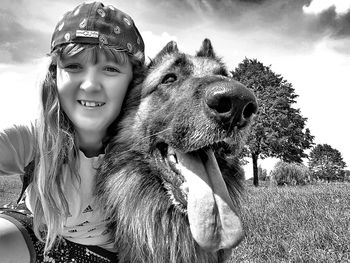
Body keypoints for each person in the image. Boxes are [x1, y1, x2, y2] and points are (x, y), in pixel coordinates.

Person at [0, 2, 145, 262]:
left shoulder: (142, 146)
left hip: (103, 254)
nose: (90, 85)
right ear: (54, 75)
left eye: (110, 69)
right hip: (38, 232)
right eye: (74, 67)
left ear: (133, 81)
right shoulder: (35, 136)